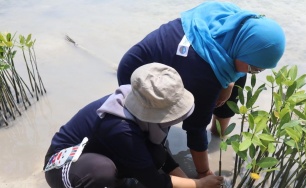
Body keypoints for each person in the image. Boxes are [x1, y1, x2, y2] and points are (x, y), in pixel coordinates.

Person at [117, 1, 286, 178]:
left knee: (239, 77)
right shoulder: (204, 75)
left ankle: (219, 133)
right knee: (156, 139)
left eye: (260, 69)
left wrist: (228, 83)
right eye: (255, 68)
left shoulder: (232, 22)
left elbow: (238, 67)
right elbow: (195, 128)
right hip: (139, 76)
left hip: (189, 62)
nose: (256, 72)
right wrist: (204, 173)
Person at [43, 63, 223, 188]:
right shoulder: (120, 126)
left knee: (157, 154)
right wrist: (198, 184)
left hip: (103, 151)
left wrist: (189, 182)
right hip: (63, 167)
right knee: (101, 173)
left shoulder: (146, 98)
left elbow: (162, 157)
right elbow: (155, 181)